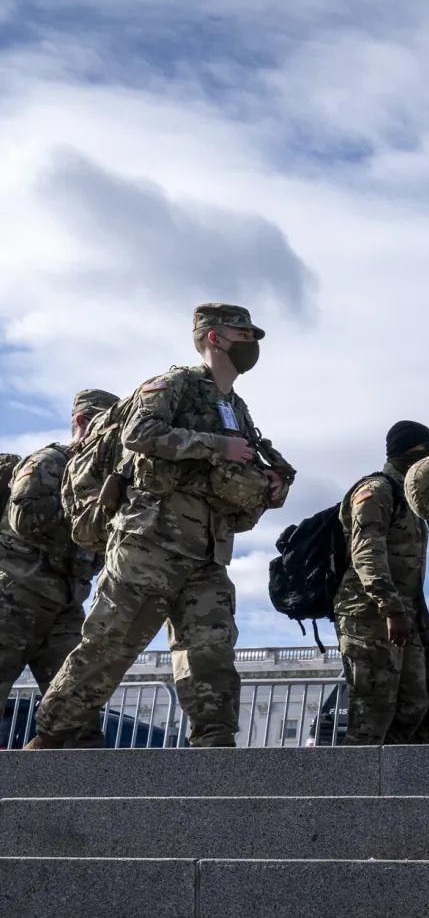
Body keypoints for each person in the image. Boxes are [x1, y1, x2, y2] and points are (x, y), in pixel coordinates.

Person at [28, 304, 291, 749]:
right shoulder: (173, 384)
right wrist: (217, 446)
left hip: (209, 553)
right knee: (110, 646)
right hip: (149, 541)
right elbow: (139, 432)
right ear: (214, 337)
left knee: (211, 654)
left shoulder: (236, 408)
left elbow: (233, 475)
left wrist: (267, 481)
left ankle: (215, 748)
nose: (252, 342)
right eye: (242, 333)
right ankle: (52, 735)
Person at [0, 389, 119, 743]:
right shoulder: (50, 461)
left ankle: (79, 792)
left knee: (78, 709)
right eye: (101, 425)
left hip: (65, 606)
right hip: (15, 596)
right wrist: (87, 515)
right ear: (81, 422)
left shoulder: (102, 477)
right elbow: (27, 519)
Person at [333, 421, 429, 745]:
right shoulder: (377, 490)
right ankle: (354, 792)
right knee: (371, 715)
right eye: (427, 450)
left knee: (414, 706)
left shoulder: (413, 499)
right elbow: (367, 553)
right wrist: (391, 608)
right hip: (369, 615)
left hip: (404, 616)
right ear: (415, 450)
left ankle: (390, 789)